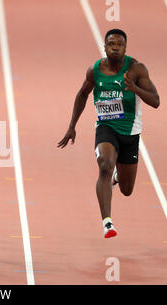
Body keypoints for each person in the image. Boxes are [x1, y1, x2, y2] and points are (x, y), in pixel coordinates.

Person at [57, 29, 159, 238]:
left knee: (127, 190)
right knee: (104, 164)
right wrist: (71, 126)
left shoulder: (136, 69)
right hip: (106, 127)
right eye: (111, 43)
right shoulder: (95, 70)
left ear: (125, 47)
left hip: (130, 131)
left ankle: (117, 176)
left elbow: (156, 101)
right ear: (104, 46)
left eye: (119, 44)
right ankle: (107, 223)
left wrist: (135, 89)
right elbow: (82, 94)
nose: (115, 47)